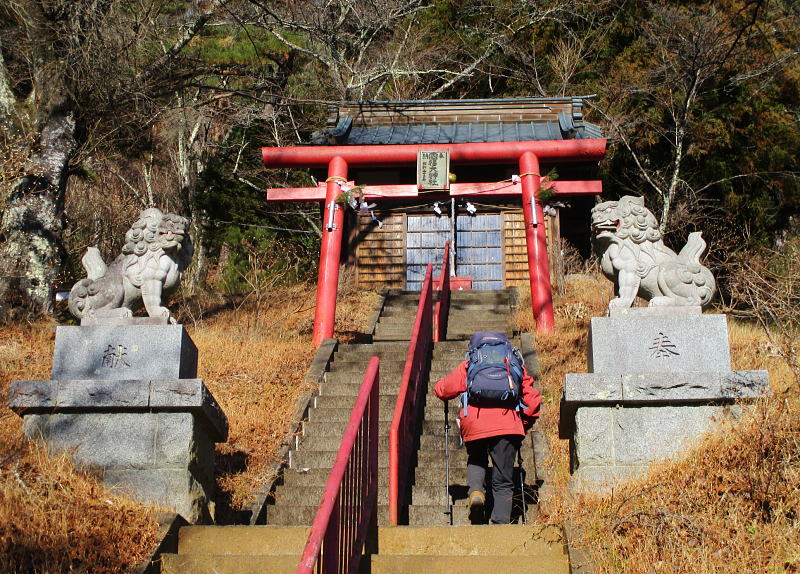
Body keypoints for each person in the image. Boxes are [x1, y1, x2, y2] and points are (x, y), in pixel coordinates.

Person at [434, 338, 541, 524]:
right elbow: (532, 402)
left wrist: (438, 388)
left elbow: (444, 389)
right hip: (508, 425)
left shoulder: (471, 362)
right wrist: (523, 423)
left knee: (476, 457)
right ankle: (500, 526)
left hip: (475, 423)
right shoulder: (514, 361)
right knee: (504, 482)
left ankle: (476, 492)